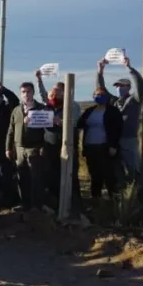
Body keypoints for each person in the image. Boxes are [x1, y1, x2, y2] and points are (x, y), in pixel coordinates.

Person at [36, 71, 82, 210]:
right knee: (52, 174)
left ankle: (73, 204)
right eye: (52, 95)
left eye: (57, 94)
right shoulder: (48, 107)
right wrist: (39, 79)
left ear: (65, 94)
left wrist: (61, 122)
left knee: (69, 174)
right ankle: (54, 202)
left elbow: (73, 123)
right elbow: (44, 95)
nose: (53, 97)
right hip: (50, 147)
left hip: (67, 146)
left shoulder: (72, 106)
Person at [97, 57, 143, 181]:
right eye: (117, 86)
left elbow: (140, 85)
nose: (119, 88)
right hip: (114, 141)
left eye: (122, 85)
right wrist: (100, 72)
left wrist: (129, 68)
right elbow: (101, 90)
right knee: (117, 170)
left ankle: (136, 195)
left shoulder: (135, 100)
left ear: (129, 87)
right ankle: (121, 195)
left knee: (133, 169)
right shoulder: (114, 101)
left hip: (129, 139)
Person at [5, 82, 48, 213]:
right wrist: (8, 148)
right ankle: (24, 203)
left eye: (28, 91)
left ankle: (36, 205)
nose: (26, 94)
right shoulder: (16, 110)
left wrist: (43, 146)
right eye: (23, 92)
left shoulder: (41, 109)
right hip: (19, 148)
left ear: (33, 92)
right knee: (21, 177)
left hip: (34, 148)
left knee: (36, 178)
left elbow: (47, 130)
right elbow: (10, 130)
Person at [77, 87, 124, 201]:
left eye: (102, 95)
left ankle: (113, 199)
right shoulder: (89, 111)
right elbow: (79, 124)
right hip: (90, 147)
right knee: (94, 174)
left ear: (107, 97)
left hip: (105, 147)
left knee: (109, 174)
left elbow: (118, 129)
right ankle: (96, 199)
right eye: (97, 94)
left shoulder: (113, 111)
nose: (99, 97)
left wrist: (113, 145)